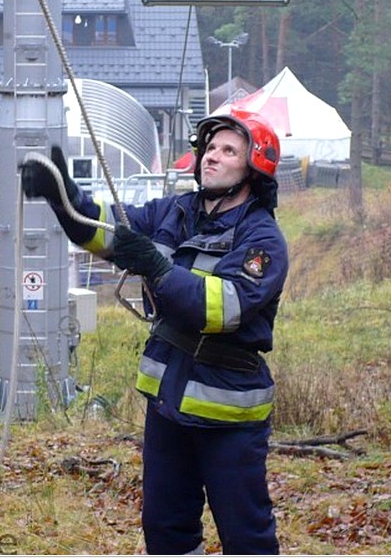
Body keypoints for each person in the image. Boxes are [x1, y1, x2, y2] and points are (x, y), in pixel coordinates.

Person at [22, 109, 288, 555]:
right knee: (165, 529)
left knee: (245, 534)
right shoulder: (175, 211)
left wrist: (156, 267)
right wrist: (64, 198)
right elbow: (107, 231)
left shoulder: (261, 239)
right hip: (167, 403)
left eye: (229, 150)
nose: (212, 156)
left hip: (228, 416)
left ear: (254, 168)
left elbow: (224, 309)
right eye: (210, 147)